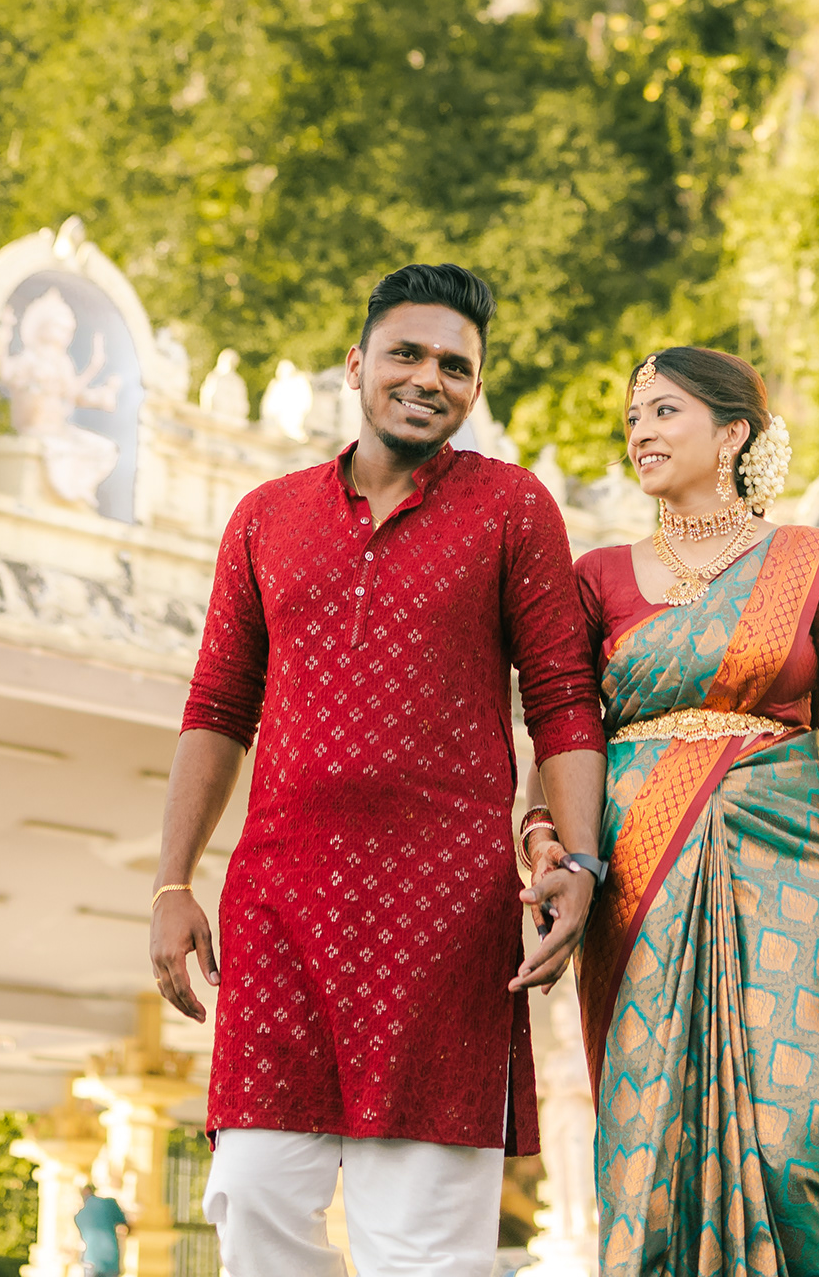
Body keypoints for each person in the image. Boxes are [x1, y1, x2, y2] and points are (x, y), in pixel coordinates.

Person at [157, 263, 608, 1277]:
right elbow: (218, 707)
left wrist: (578, 861)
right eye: (407, 353)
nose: (429, 378)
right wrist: (172, 880)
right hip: (278, 907)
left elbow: (562, 700)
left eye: (456, 366)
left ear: (475, 388)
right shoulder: (267, 516)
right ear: (356, 364)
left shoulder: (511, 508)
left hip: (445, 917)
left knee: (424, 1244)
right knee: (254, 1202)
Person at [562, 346, 819, 1277]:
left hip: (792, 856)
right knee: (645, 1148)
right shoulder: (595, 579)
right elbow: (563, 738)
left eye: (665, 412)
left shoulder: (815, 565)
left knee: (795, 1139)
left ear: (733, 433)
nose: (641, 432)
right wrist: (551, 844)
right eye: (634, 417)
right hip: (641, 870)